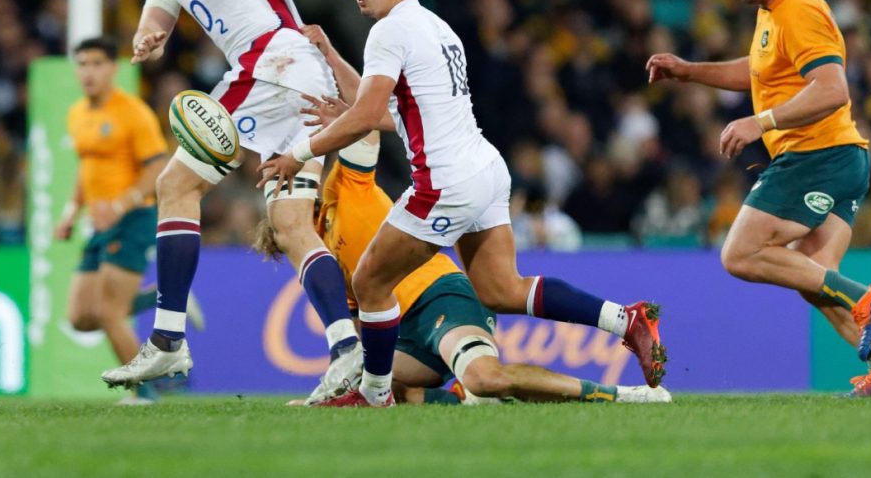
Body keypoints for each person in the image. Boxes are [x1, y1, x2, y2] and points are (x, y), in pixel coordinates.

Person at [260, 0, 666, 408]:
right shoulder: (437, 27)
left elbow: (368, 116)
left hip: (445, 183)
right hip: (485, 170)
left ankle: (372, 393)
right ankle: (625, 319)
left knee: (369, 281)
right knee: (501, 289)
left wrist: (299, 153)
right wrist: (334, 68)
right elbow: (400, 114)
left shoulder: (388, 31)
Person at [101, 0, 366, 405]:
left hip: (275, 63)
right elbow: (158, 17)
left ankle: (168, 338)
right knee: (290, 224)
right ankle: (347, 348)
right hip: (289, 80)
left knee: (175, 186)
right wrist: (148, 37)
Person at [646, 0, 871, 398]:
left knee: (740, 254)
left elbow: (832, 88)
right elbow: (759, 72)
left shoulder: (799, 10)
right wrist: (689, 71)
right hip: (840, 158)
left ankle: (867, 298)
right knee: (814, 279)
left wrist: (760, 122)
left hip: (817, 156)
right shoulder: (774, 11)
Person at [256, 130, 670, 406]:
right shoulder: (324, 268)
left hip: (442, 297)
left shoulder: (341, 189)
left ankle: (621, 395)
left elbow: (363, 127)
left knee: (486, 377)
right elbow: (360, 334)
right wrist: (332, 393)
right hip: (406, 335)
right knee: (380, 383)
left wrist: (315, 138)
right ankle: (458, 398)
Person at [54, 35, 171, 405]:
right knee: (80, 317)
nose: (88, 72)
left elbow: (157, 166)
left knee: (107, 313)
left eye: (97, 64)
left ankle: (145, 390)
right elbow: (86, 168)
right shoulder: (77, 113)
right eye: (82, 64)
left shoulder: (133, 112)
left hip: (132, 218)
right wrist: (71, 211)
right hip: (99, 223)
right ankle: (156, 297)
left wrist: (120, 205)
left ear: (113, 69)